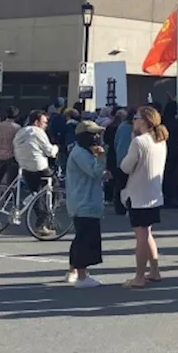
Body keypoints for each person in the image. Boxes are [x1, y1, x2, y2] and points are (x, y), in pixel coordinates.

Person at [120, 106, 168, 289]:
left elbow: (126, 166)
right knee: (147, 233)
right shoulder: (160, 140)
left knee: (141, 236)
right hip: (154, 194)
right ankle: (154, 271)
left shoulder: (139, 142)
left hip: (138, 195)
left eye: (136, 117)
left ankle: (139, 277)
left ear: (145, 121)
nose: (134, 120)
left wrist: (132, 143)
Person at [65, 119, 108, 289]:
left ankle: (73, 270)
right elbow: (94, 172)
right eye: (94, 134)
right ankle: (82, 276)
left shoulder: (80, 151)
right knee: (86, 239)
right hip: (85, 201)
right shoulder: (81, 153)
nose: (97, 137)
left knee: (80, 238)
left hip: (81, 200)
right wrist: (101, 158)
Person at [14, 110, 58, 231]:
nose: (46, 125)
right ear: (37, 122)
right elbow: (49, 152)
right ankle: (45, 216)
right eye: (44, 122)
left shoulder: (21, 131)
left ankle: (39, 216)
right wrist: (56, 148)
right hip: (39, 166)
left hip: (24, 165)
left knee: (35, 192)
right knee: (55, 187)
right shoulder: (38, 132)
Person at [0, 106, 21, 189]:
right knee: (11, 179)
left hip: (0, 153)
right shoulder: (17, 127)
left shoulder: (0, 125)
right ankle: (9, 195)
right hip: (12, 155)